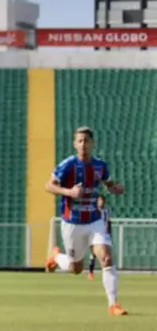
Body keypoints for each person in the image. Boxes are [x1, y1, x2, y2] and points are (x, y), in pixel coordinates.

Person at [45, 127, 128, 315]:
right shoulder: (67, 165)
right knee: (76, 268)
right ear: (75, 144)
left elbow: (108, 183)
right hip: (72, 223)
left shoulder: (100, 166)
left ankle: (113, 305)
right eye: (80, 141)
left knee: (106, 257)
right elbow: (48, 185)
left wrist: (116, 187)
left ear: (93, 143)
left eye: (86, 141)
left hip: (94, 221)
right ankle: (57, 257)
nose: (83, 144)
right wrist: (69, 192)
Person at [87, 195, 110, 281]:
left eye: (103, 200)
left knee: (106, 254)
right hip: (95, 234)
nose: (101, 202)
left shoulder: (107, 211)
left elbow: (108, 222)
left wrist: (109, 233)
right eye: (100, 200)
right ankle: (90, 272)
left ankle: (105, 271)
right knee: (93, 253)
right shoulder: (94, 211)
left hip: (105, 234)